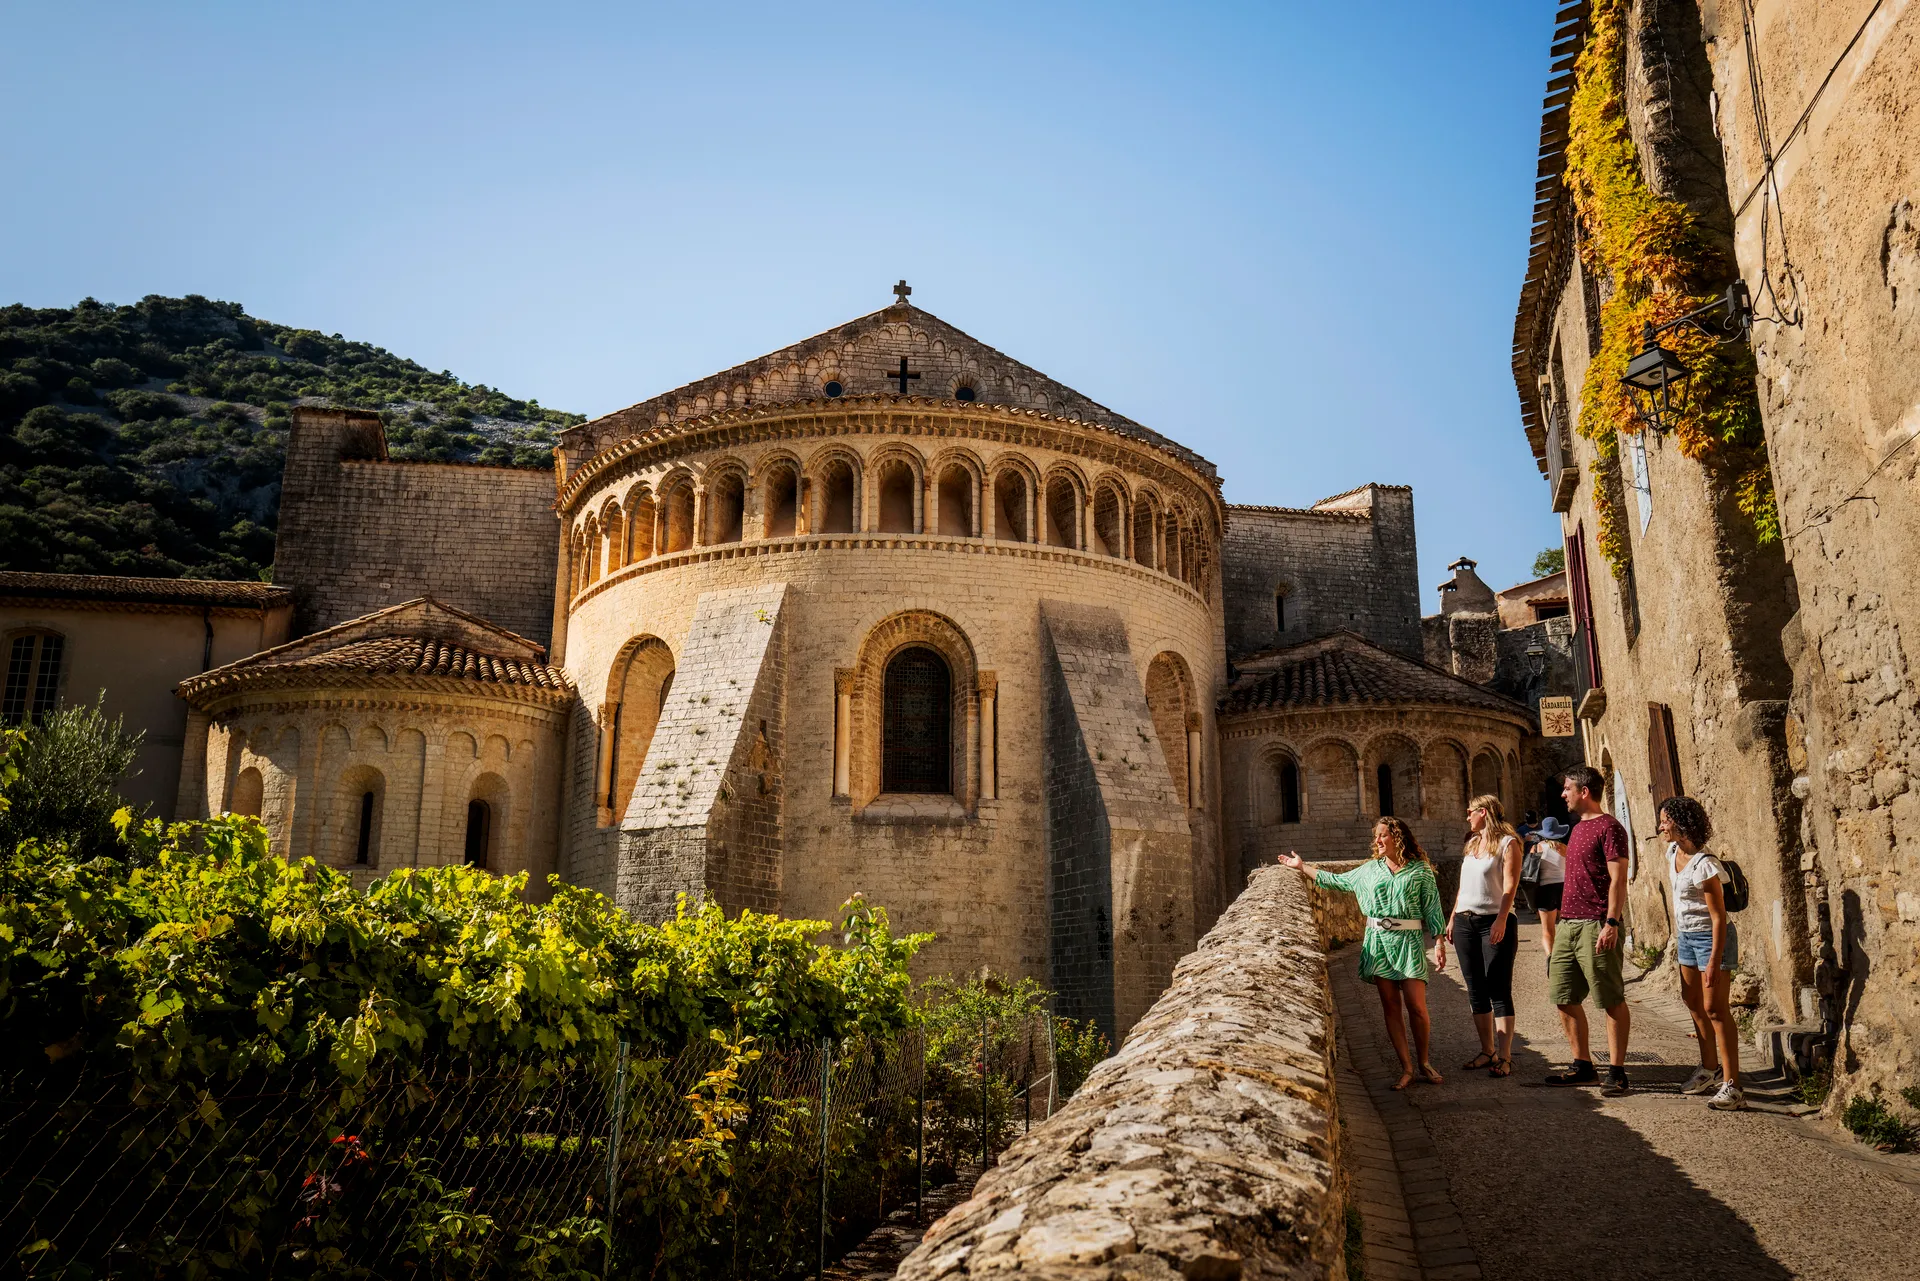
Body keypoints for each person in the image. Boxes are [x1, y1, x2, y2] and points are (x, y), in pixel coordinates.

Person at [1280, 818, 1447, 1091]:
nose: (1378, 841)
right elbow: (1335, 881)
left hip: (1409, 942)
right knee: (1391, 1007)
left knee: (1417, 1007)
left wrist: (1439, 942)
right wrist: (1302, 866)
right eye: (1376, 837)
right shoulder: (1369, 870)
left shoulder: (1420, 871)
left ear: (1398, 838)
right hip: (1378, 941)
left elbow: (1432, 907)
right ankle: (1406, 1068)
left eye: (1383, 836)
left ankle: (1425, 1062)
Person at [1545, 764, 1634, 1096]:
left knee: (1610, 998)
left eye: (1567, 788)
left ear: (1584, 791)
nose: (1563, 793)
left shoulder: (1610, 828)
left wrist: (1611, 922)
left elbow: (1618, 879)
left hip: (1596, 923)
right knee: (1563, 996)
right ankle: (1583, 1065)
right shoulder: (1576, 828)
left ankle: (1617, 1070)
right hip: (1568, 924)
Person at [1660, 795, 1746, 1111]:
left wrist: (1713, 960)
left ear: (1681, 824)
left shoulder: (1706, 865)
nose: (1660, 826)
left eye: (1665, 820)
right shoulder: (1672, 853)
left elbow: (1719, 917)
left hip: (1712, 939)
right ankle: (1709, 1070)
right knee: (1692, 1002)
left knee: (1715, 1009)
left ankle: (1733, 1086)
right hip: (1686, 938)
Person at [1450, 795, 1523, 1077]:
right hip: (1465, 922)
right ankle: (1487, 1050)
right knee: (1475, 988)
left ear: (1483, 812)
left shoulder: (1508, 843)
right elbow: (1463, 886)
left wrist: (1502, 919)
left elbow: (1510, 886)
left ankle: (1504, 1056)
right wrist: (1452, 916)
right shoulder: (1471, 843)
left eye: (1470, 811)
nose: (1467, 815)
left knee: (1499, 988)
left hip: (1494, 920)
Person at [1527, 816, 1570, 957]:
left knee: (1547, 930)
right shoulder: (1565, 848)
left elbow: (1530, 871)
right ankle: (1568, 958)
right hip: (1564, 888)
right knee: (1568, 927)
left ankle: (1550, 958)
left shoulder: (1536, 848)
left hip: (1545, 889)